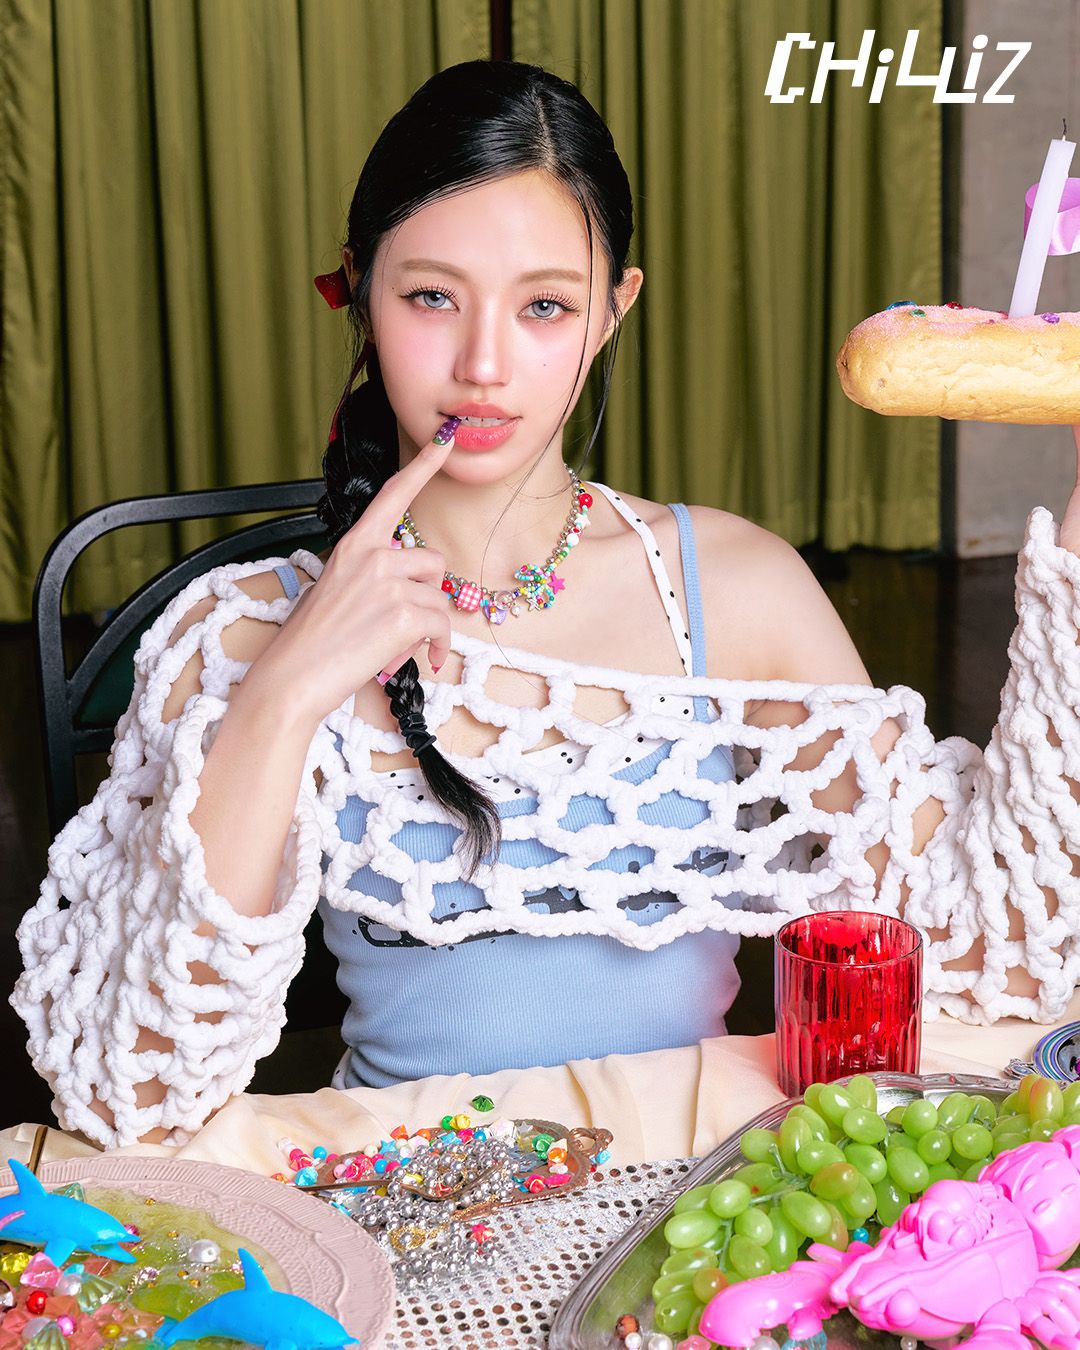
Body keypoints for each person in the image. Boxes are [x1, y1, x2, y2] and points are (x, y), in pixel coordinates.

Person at [12, 59, 1080, 1148]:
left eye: (544, 307)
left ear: (612, 312)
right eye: (432, 297)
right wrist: (284, 693)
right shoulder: (240, 629)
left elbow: (990, 961)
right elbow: (129, 1098)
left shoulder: (734, 590)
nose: (483, 364)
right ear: (360, 292)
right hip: (404, 1197)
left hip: (688, 1191)